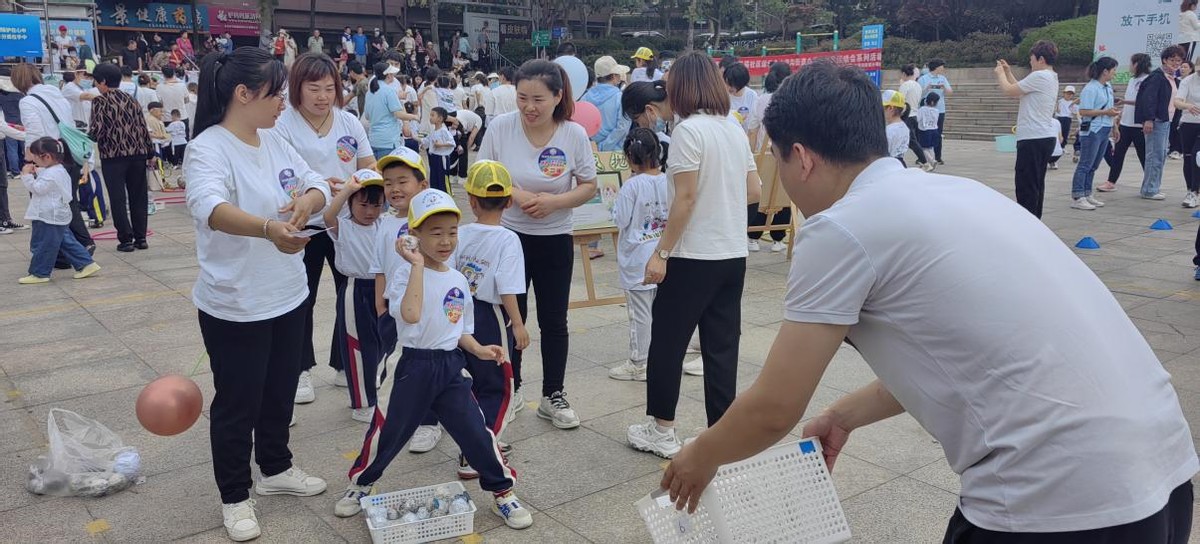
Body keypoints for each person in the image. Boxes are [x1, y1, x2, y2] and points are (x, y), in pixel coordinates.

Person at [662, 57, 1199, 544]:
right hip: (1163, 472)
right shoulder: (958, 192)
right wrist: (844, 415)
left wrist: (699, 457)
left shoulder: (841, 229)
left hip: (1056, 500)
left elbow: (775, 408)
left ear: (800, 158)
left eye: (778, 159)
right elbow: (961, 354)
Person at [185, 46, 332, 542]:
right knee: (237, 403)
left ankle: (276, 468)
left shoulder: (274, 140)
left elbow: (316, 185)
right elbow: (210, 207)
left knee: (279, 392)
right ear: (243, 94)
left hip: (287, 293)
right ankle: (234, 495)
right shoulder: (208, 147)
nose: (282, 106)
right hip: (236, 303)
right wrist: (269, 228)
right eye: (274, 95)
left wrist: (305, 203)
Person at [334, 188, 534, 533]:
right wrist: (414, 266)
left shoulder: (458, 280)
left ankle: (503, 491)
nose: (445, 241)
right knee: (388, 431)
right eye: (435, 232)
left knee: (476, 431)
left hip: (450, 367)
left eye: (452, 232)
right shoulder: (404, 274)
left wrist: (480, 350)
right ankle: (361, 482)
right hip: (410, 366)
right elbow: (410, 314)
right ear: (415, 235)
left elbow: (459, 329)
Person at [626, 51, 761, 458]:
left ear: (683, 87)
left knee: (667, 342)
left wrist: (661, 254)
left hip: (691, 256)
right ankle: (721, 434)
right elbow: (753, 190)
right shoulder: (732, 127)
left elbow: (684, 200)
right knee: (721, 348)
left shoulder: (688, 131)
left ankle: (662, 430)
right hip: (732, 254)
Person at [477, 59, 599, 430]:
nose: (529, 107)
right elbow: (481, 173)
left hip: (555, 237)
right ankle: (510, 390)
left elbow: (588, 185)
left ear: (558, 97)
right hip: (508, 237)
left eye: (538, 99)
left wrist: (553, 203)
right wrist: (517, 193)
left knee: (554, 320)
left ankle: (553, 394)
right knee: (514, 317)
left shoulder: (573, 134)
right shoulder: (500, 127)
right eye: (522, 97)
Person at [273, 52, 377, 401]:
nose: (322, 96)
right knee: (302, 298)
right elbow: (278, 175)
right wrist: (316, 189)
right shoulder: (282, 124)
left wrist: (354, 184)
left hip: (345, 225)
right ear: (297, 89)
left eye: (329, 88)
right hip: (303, 225)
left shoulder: (348, 122)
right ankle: (301, 370)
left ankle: (343, 362)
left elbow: (369, 167)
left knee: (351, 295)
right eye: (313, 88)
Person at [452, 160, 529, 477]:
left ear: (470, 200)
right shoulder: (508, 239)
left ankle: (471, 445)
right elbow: (508, 286)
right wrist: (519, 324)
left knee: (468, 383)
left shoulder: (460, 232)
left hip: (459, 312)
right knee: (497, 386)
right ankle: (479, 452)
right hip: (490, 318)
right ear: (509, 201)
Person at [322, 168, 386, 422]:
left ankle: (378, 391)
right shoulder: (343, 227)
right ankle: (362, 403)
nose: (370, 212)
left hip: (382, 289)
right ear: (350, 203)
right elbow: (328, 215)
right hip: (355, 289)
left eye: (376, 205)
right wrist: (347, 188)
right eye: (363, 204)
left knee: (382, 344)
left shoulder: (384, 223)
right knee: (358, 346)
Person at [13, 63, 94, 256]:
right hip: (67, 153)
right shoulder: (57, 94)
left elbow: (35, 133)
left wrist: (30, 161)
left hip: (48, 158)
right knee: (68, 201)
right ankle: (78, 245)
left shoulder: (28, 101)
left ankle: (74, 247)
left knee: (49, 207)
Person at [608, 128, 669, 382]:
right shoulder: (668, 180)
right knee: (660, 311)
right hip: (663, 253)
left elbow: (620, 219)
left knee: (639, 313)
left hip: (637, 258)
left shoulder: (632, 186)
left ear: (630, 158)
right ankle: (658, 357)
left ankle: (638, 361)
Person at [89, 63, 155, 252]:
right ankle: (141, 238)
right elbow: (142, 128)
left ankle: (126, 240)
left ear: (102, 82)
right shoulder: (131, 100)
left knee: (118, 199)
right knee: (138, 197)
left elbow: (96, 131)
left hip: (113, 157)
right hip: (138, 155)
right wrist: (150, 152)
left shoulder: (100, 102)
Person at [17, 137, 101, 284]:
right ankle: (86, 264)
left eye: (35, 156)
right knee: (66, 242)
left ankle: (40, 273)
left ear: (47, 157)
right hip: (56, 215)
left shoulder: (51, 174)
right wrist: (38, 171)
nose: (32, 159)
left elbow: (38, 189)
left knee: (44, 244)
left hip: (49, 216)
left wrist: (27, 176)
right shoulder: (57, 169)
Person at [995, 41, 1060, 218]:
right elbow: (1021, 91)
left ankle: (1028, 224)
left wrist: (1000, 74)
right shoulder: (1050, 76)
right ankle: (1034, 222)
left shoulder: (1040, 76)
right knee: (1036, 184)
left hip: (1033, 138)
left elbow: (1009, 91)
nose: (1030, 63)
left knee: (1026, 186)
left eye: (1031, 59)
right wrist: (1008, 72)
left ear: (1040, 59)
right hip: (1043, 137)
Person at [745, 62, 793, 253]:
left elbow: (753, 130)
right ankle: (778, 239)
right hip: (788, 154)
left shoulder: (761, 99)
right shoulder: (794, 98)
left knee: (761, 195)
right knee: (785, 194)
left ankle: (753, 237)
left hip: (764, 155)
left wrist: (750, 154)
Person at [1136, 45, 1187, 201]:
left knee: (1161, 154)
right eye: (1172, 60)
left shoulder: (1171, 78)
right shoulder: (1157, 77)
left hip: (1166, 121)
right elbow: (1149, 99)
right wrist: (1148, 119)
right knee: (1155, 155)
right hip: (1156, 121)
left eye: (1179, 60)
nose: (1176, 63)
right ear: (1165, 60)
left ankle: (1153, 187)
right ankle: (1149, 189)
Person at [1070, 56, 1120, 211]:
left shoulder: (1107, 86)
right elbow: (1084, 111)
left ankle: (1087, 193)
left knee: (1094, 164)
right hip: (1093, 129)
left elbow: (1110, 109)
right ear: (1105, 71)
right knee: (1085, 163)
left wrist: (1114, 127)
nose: (1114, 74)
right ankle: (1078, 195)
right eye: (1113, 70)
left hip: (1105, 128)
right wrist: (1105, 112)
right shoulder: (1091, 88)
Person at [1100, 53, 1154, 193]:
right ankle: (1111, 181)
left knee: (1143, 155)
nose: (1130, 66)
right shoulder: (1131, 80)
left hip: (1139, 125)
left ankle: (1150, 183)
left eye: (1131, 63)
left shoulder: (1148, 80)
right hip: (1126, 123)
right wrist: (1119, 118)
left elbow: (1145, 102)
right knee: (1118, 153)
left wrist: (1124, 102)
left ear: (1137, 64)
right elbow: (1129, 101)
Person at [363, 62, 419, 159]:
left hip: (373, 139)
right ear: (388, 75)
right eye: (392, 74)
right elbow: (398, 114)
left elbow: (367, 116)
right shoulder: (389, 91)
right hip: (388, 140)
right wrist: (414, 117)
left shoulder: (370, 92)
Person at [580, 56, 631, 152]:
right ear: (614, 76)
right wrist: (605, 146)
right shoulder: (620, 98)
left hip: (590, 150)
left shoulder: (585, 98)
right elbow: (623, 127)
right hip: (615, 154)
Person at [918, 58, 953, 164]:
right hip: (925, 111)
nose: (943, 68)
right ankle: (922, 157)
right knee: (924, 133)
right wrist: (927, 88)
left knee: (938, 133)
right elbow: (918, 93)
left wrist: (944, 88)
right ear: (936, 67)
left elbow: (950, 92)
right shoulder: (923, 78)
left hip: (939, 110)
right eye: (942, 66)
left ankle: (938, 157)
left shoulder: (942, 78)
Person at [1176, 60, 1200, 208]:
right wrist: (1188, 106)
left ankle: (1195, 191)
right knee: (1188, 157)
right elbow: (1177, 102)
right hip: (1188, 123)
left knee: (1197, 155)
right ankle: (1190, 190)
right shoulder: (1188, 81)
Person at [421, 106, 455, 192]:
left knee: (442, 180)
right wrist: (414, 137)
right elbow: (426, 141)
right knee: (434, 179)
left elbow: (452, 143)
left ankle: (446, 197)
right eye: (430, 115)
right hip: (434, 158)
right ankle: (436, 196)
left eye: (433, 115)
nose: (430, 117)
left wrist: (441, 145)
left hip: (441, 159)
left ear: (440, 118)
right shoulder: (433, 131)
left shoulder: (444, 131)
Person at [446, 108, 481, 180]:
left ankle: (453, 175)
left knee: (455, 149)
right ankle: (462, 176)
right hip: (458, 121)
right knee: (462, 153)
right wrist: (466, 148)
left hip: (452, 116)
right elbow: (472, 137)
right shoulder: (479, 121)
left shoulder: (472, 116)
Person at [1051, 85, 1080, 169]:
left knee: (1065, 133)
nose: (1069, 95)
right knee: (1059, 134)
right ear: (1064, 93)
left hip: (1067, 119)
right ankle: (1058, 147)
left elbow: (1075, 111)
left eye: (1071, 94)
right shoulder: (1060, 101)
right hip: (1060, 118)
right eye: (1067, 93)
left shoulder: (1073, 104)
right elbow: (1057, 109)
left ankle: (1062, 146)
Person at [1170, 61, 1194, 159]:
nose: (1182, 69)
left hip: (1188, 110)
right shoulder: (1176, 80)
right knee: (1173, 127)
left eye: (1185, 67)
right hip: (1175, 107)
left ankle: (1179, 150)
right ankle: (1173, 149)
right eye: (1181, 67)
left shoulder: (1192, 81)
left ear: (1191, 69)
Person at [724, 63, 756, 131]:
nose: (729, 88)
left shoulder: (752, 96)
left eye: (733, 85)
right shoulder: (723, 97)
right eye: (727, 83)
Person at [883, 90, 910, 167]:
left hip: (888, 165)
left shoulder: (889, 130)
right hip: (900, 163)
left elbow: (884, 152)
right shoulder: (904, 127)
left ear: (890, 108)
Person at [916, 93, 941, 170]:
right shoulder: (937, 111)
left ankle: (932, 161)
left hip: (925, 131)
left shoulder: (922, 109)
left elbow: (917, 119)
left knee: (923, 148)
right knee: (930, 148)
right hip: (934, 130)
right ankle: (930, 164)